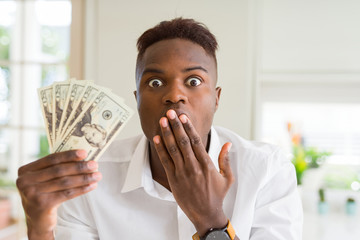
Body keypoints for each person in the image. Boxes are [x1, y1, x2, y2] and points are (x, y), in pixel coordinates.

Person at [16, 18, 303, 240]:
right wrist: (39, 227)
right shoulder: (89, 177)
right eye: (154, 82)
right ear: (137, 101)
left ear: (216, 99)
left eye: (193, 81)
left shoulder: (267, 170)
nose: (174, 95)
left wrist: (210, 220)